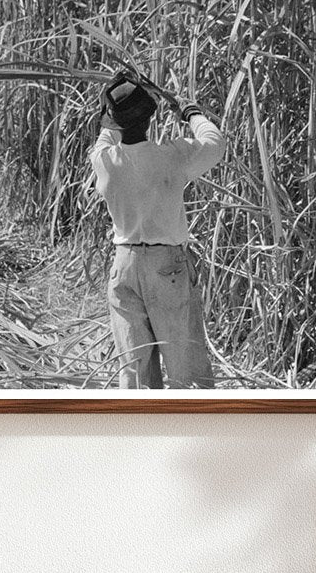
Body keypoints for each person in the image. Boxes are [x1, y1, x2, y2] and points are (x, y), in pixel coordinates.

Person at [89, 74, 226, 388]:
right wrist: (190, 112)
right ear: (151, 117)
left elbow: (104, 133)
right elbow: (214, 144)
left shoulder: (104, 161)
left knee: (136, 376)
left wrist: (108, 107)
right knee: (187, 373)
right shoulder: (171, 158)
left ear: (114, 120)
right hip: (167, 270)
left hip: (122, 269)